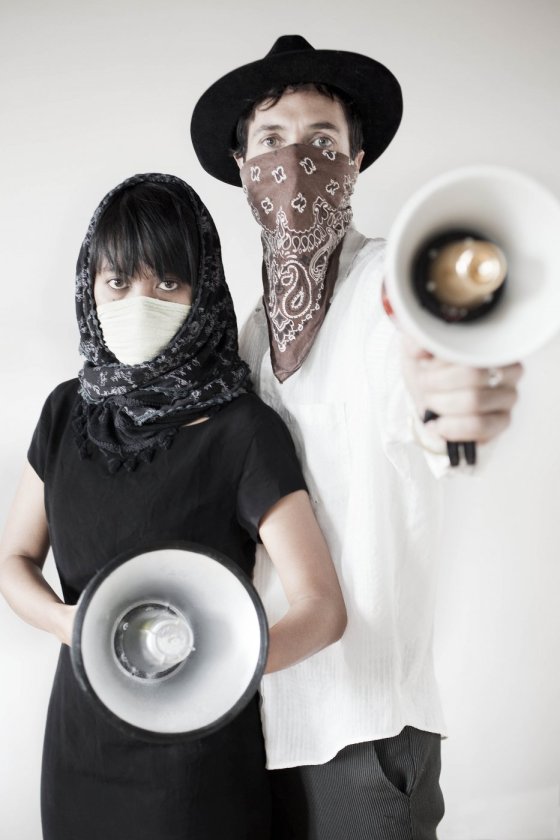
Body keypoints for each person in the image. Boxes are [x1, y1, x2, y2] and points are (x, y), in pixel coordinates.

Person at [190, 35, 524, 839]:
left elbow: (426, 375)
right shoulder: (243, 338)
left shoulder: (387, 288)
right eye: (272, 140)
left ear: (355, 161)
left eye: (322, 140)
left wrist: (453, 401)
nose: (294, 160)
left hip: (365, 731)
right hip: (259, 725)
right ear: (242, 165)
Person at [0, 172, 347, 840]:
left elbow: (322, 608)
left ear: (203, 289)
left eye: (167, 283)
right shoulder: (65, 412)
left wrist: (216, 670)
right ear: (90, 288)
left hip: (198, 767)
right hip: (79, 749)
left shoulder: (244, 430)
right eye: (117, 282)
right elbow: (14, 558)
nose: (140, 302)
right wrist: (69, 625)